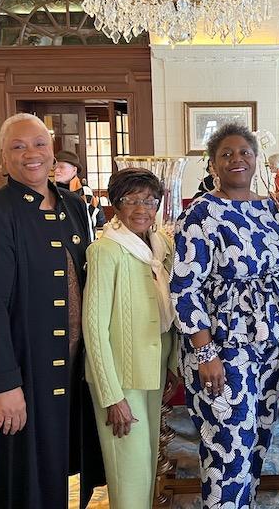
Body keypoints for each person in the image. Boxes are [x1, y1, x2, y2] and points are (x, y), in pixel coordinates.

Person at [0, 113, 102, 509]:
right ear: (3, 160)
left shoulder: (72, 204)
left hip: (61, 362)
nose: (30, 154)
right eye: (17, 147)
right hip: (15, 362)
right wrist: (4, 384)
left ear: (52, 151)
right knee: (14, 473)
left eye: (38, 144)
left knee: (50, 462)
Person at [170, 123, 279, 509]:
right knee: (227, 445)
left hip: (268, 343)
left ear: (255, 159)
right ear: (212, 165)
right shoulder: (199, 214)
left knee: (257, 438)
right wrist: (205, 354)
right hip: (222, 350)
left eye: (244, 152)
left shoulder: (268, 209)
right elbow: (183, 287)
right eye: (226, 154)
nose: (237, 159)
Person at [82, 168, 179, 509]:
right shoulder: (105, 251)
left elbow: (168, 313)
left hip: (151, 370)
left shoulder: (159, 246)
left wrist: (171, 365)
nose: (142, 208)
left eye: (149, 200)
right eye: (131, 200)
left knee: (147, 463)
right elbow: (93, 327)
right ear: (115, 205)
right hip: (121, 378)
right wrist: (112, 395)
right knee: (129, 471)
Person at [55, 149, 105, 239]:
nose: (57, 170)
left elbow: (88, 225)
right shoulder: (50, 190)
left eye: (61, 167)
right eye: (55, 166)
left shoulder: (84, 192)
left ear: (74, 170)